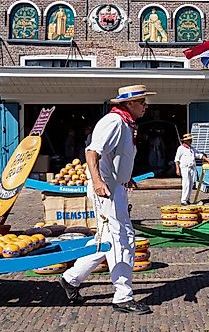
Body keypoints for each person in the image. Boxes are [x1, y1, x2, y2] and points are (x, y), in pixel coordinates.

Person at [58, 84, 154, 315]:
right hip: (107, 191)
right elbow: (92, 153)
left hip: (114, 187)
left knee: (106, 239)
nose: (146, 106)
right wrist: (100, 182)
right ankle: (123, 296)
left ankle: (71, 279)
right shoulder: (114, 122)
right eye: (142, 102)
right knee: (123, 239)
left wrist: (125, 178)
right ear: (129, 104)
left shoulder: (124, 123)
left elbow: (115, 157)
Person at [174, 133, 209, 205]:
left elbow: (199, 155)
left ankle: (187, 199)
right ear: (185, 141)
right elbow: (177, 160)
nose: (190, 141)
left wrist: (207, 159)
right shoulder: (180, 148)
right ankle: (183, 200)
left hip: (192, 167)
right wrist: (177, 169)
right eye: (189, 140)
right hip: (185, 167)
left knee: (191, 184)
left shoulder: (192, 149)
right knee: (186, 183)